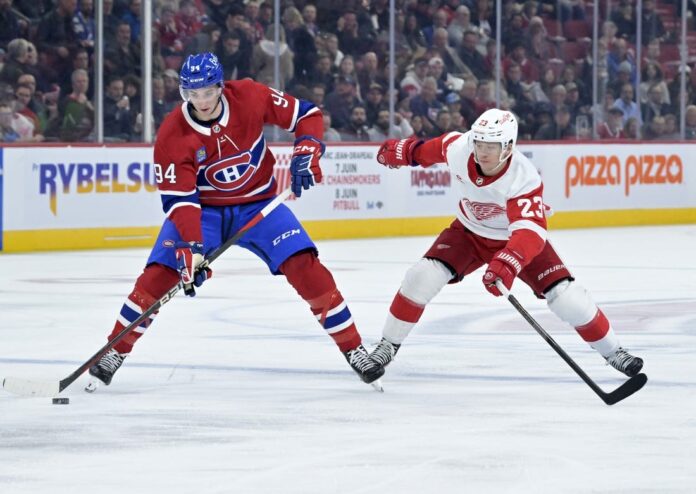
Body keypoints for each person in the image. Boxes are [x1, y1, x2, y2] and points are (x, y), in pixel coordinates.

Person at [85, 52, 384, 392]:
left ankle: (354, 348)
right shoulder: (172, 134)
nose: (201, 101)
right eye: (193, 94)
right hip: (204, 212)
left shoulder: (249, 95)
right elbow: (181, 201)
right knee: (160, 274)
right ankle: (114, 351)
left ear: (221, 86)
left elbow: (307, 114)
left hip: (260, 204)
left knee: (305, 267)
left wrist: (307, 148)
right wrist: (193, 247)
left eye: (208, 92)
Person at [369, 108, 644, 379]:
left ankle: (614, 352)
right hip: (468, 232)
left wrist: (508, 263)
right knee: (421, 277)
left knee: (567, 298)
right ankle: (387, 345)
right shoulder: (459, 147)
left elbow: (530, 233)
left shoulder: (523, 177)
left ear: (509, 147)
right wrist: (403, 152)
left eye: (491, 146)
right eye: (479, 143)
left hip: (514, 240)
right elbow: (427, 151)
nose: (482, 152)